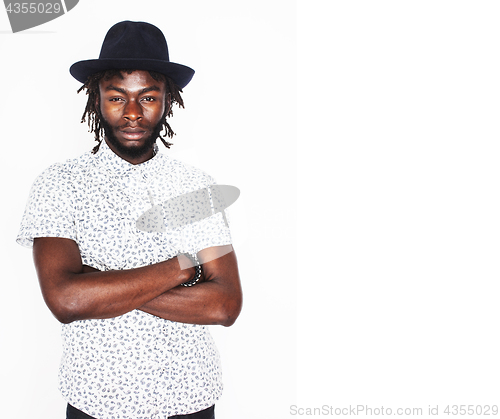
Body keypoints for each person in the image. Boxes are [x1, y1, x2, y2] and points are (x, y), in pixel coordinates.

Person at [16, 20, 242, 419]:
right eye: (118, 98)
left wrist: (102, 286)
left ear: (167, 101)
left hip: (189, 397)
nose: (133, 113)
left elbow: (224, 305)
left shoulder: (196, 186)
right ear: (96, 98)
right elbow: (67, 300)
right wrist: (182, 268)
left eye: (148, 98)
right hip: (95, 401)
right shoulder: (60, 184)